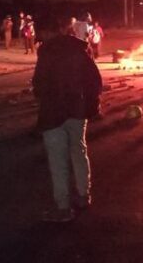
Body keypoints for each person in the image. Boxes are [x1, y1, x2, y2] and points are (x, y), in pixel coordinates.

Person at [32, 17, 102, 222]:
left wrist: (42, 96)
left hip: (53, 113)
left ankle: (63, 208)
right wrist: (90, 106)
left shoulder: (46, 53)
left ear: (45, 32)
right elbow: (95, 81)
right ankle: (83, 195)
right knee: (79, 152)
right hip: (77, 111)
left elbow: (40, 84)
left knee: (58, 161)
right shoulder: (79, 49)